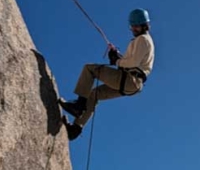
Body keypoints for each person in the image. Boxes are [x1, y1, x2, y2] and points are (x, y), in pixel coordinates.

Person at [59, 8, 155, 140]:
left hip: (130, 80)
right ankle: (75, 129)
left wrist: (116, 61)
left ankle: (78, 106)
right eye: (132, 26)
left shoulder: (143, 40)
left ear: (144, 25)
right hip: (132, 84)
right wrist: (117, 56)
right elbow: (132, 63)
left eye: (135, 26)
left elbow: (133, 62)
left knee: (89, 69)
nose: (133, 29)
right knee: (93, 94)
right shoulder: (142, 40)